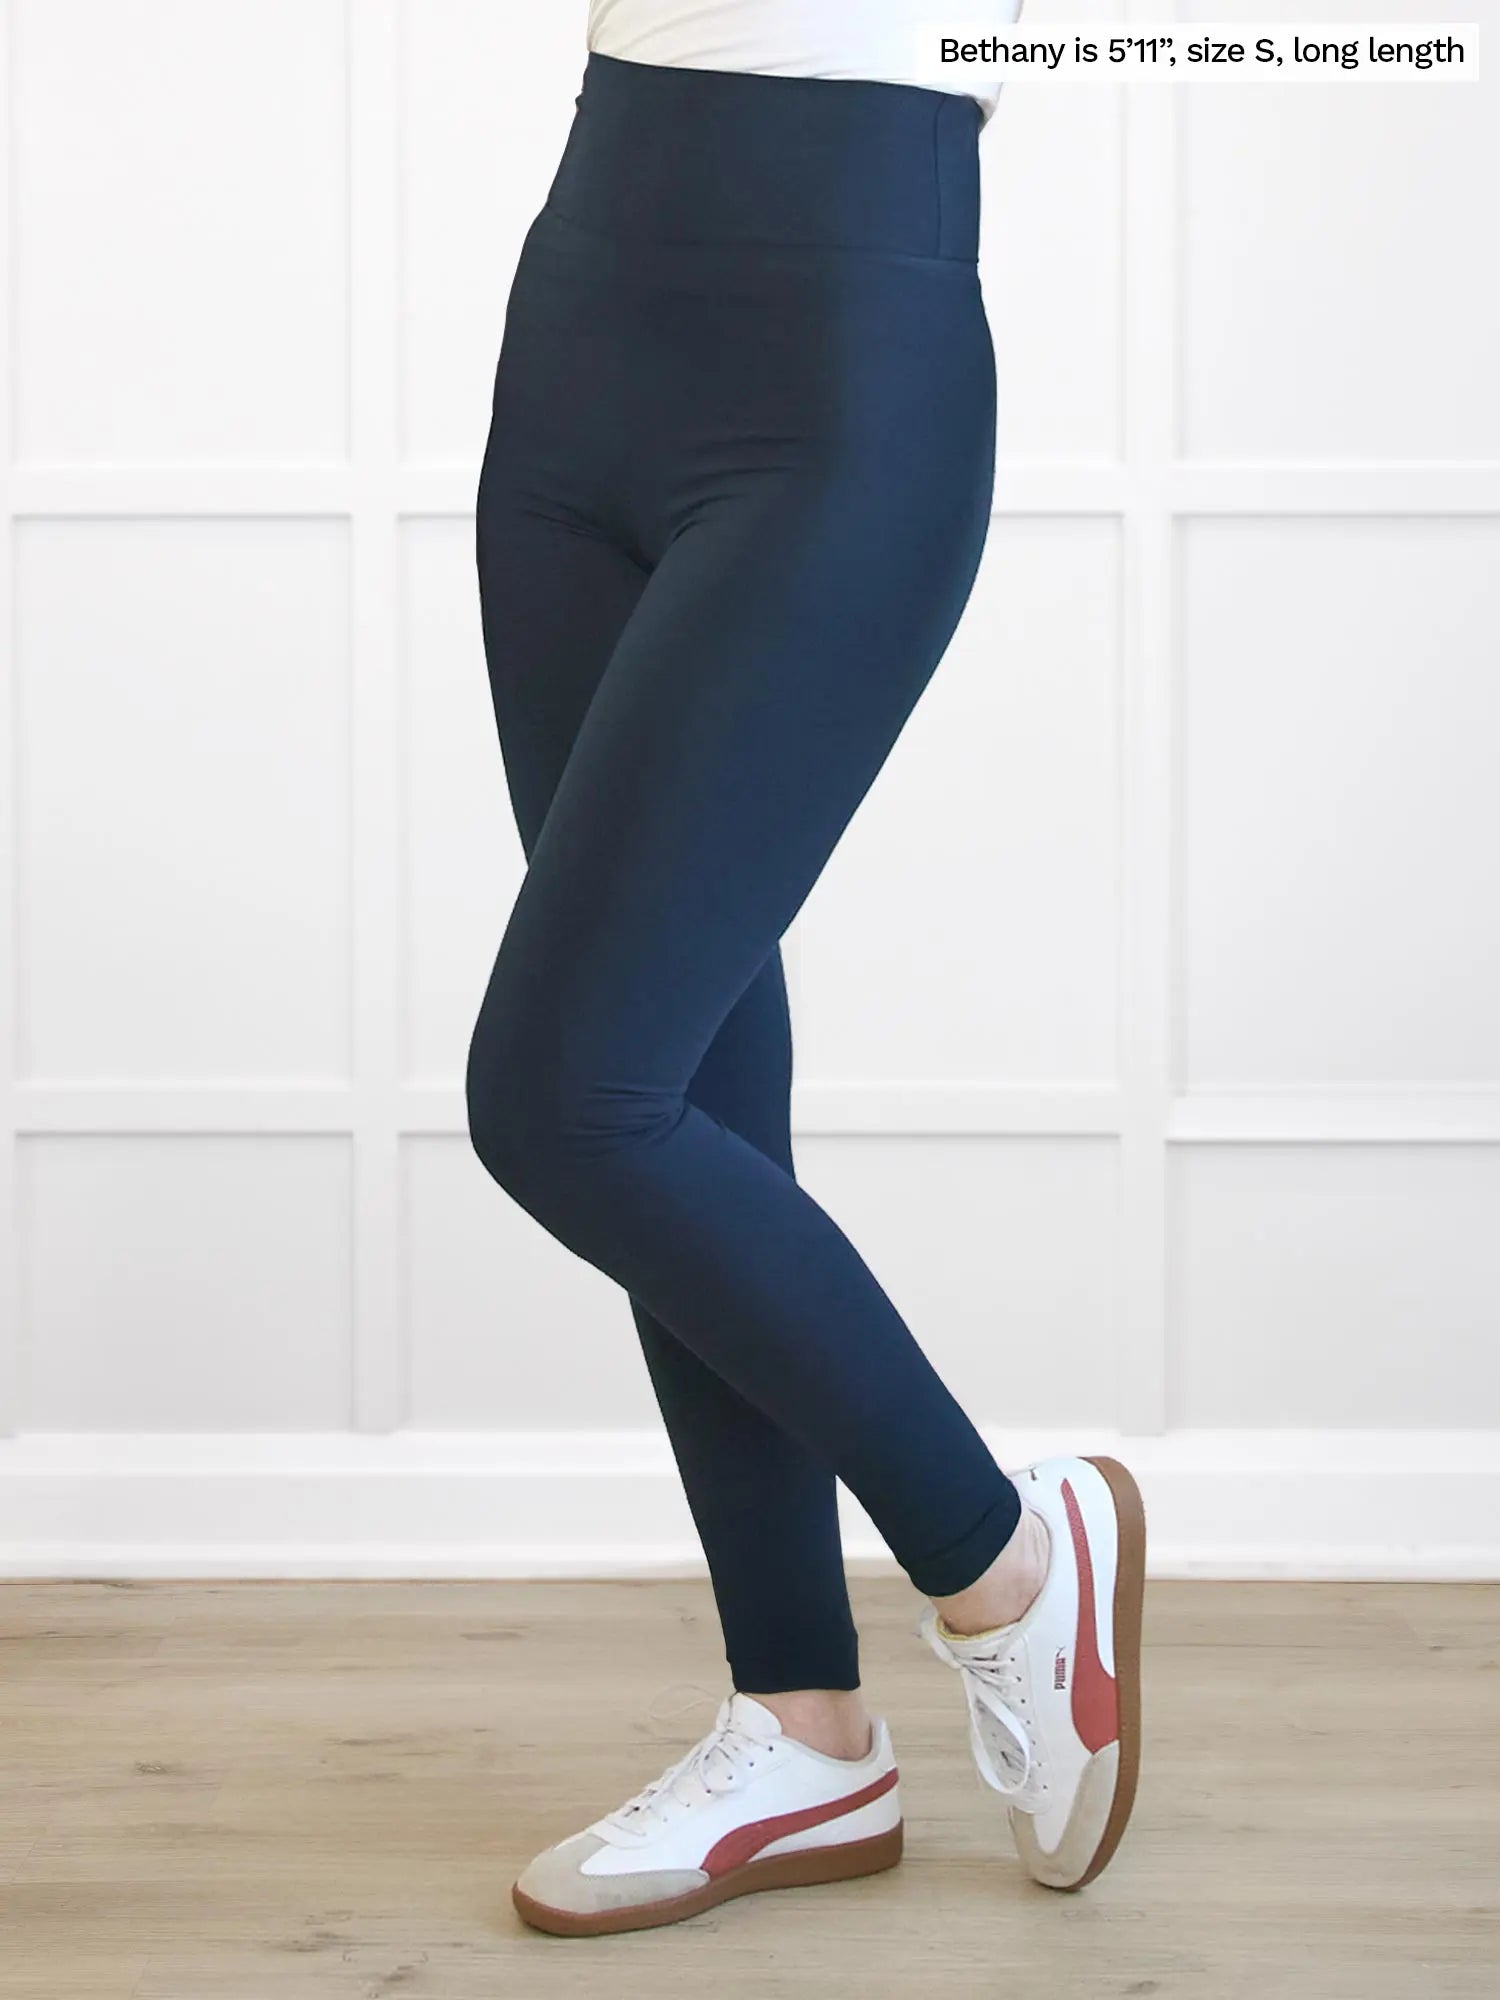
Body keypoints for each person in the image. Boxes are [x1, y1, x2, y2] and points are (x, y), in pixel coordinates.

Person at [466, 2, 1146, 1938]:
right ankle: (803, 1725)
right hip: (583, 310)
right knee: (674, 1078)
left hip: (846, 336)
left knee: (564, 1099)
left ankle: (1006, 1563)